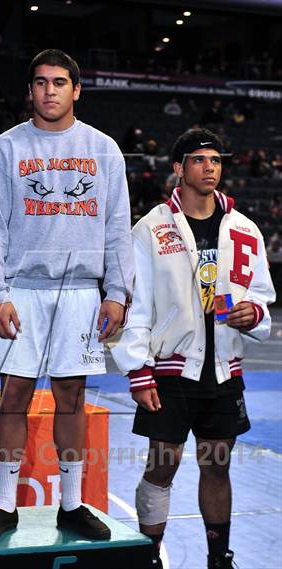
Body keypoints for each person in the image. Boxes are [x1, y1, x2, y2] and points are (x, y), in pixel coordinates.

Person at [0, 48, 133, 542]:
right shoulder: (6, 148)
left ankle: (71, 504)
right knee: (14, 396)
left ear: (76, 89)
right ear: (29, 91)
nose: (49, 91)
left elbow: (117, 227)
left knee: (72, 398)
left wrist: (117, 291)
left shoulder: (104, 148)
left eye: (59, 82)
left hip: (82, 291)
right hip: (21, 289)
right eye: (40, 82)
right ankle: (3, 505)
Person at [109, 128, 275, 568]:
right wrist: (137, 370)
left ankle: (219, 558)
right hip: (169, 372)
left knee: (216, 467)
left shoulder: (245, 229)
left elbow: (262, 299)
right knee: (162, 467)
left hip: (223, 370)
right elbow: (137, 306)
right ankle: (149, 557)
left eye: (216, 161)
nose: (210, 168)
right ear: (178, 168)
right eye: (199, 160)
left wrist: (253, 315)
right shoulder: (151, 228)